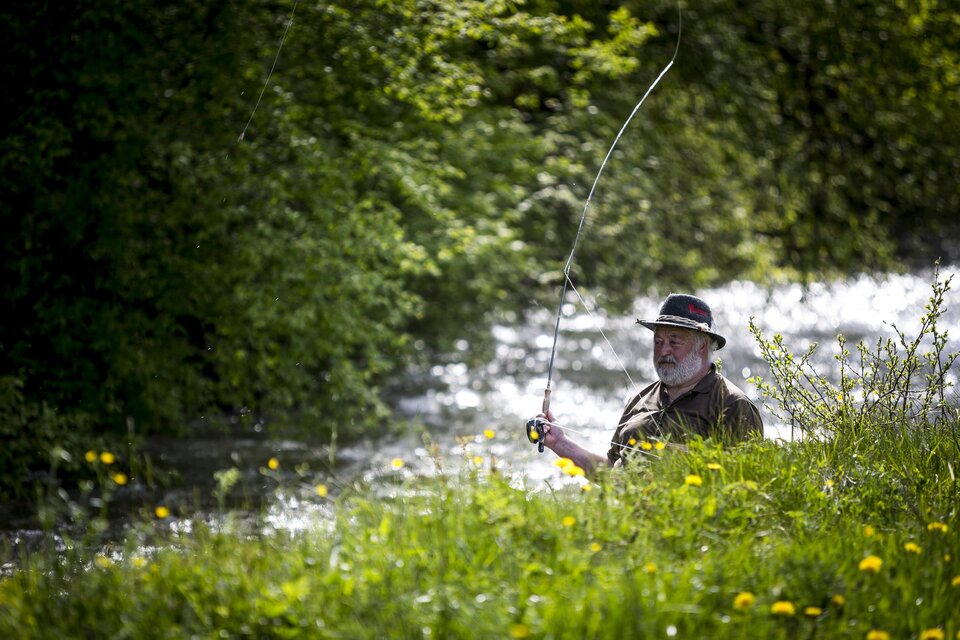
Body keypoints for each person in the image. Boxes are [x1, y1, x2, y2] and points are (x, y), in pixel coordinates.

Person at [531, 293, 762, 473]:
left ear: (702, 346)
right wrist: (560, 443)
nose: (664, 350)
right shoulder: (639, 400)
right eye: (659, 341)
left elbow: (746, 486)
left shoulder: (733, 405)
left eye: (674, 341)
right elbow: (611, 473)